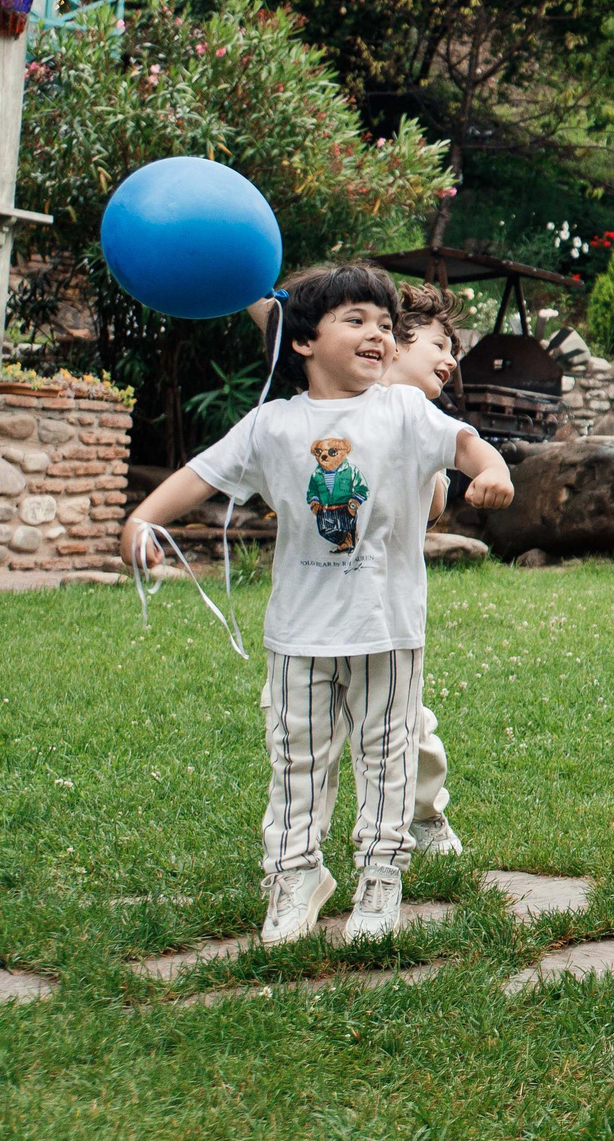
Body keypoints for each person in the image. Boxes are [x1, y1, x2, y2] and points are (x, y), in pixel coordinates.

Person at [124, 265, 514, 945]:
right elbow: (201, 473)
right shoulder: (273, 425)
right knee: (296, 756)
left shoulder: (401, 409)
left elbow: (462, 443)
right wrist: (142, 518)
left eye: (386, 325)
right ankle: (296, 872)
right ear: (303, 341)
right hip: (298, 632)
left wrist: (493, 469)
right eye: (356, 320)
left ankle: (380, 874)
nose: (378, 334)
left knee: (388, 756)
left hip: (387, 628)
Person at [250, 278, 475, 859]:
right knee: (309, 740)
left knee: (410, 735)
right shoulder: (334, 398)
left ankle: (423, 816)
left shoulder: (415, 415)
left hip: (382, 618)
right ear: (397, 346)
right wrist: (248, 284)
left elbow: (434, 508)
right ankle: (302, 844)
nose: (450, 359)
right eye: (440, 344)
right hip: (317, 615)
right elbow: (287, 325)